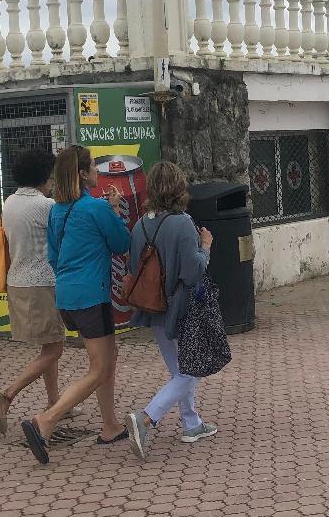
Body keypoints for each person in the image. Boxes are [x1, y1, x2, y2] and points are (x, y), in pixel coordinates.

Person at [20, 145, 131, 464]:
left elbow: (53, 256)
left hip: (67, 295)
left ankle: (110, 425)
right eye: (94, 166)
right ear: (83, 174)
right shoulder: (94, 208)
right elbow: (122, 242)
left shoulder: (58, 209)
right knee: (98, 369)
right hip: (91, 296)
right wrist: (114, 210)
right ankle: (47, 421)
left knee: (109, 355)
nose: (99, 171)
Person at [123, 162, 218, 460]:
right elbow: (193, 271)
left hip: (154, 308)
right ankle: (147, 417)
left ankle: (192, 423)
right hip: (183, 307)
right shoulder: (183, 223)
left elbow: (133, 264)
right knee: (193, 368)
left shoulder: (140, 224)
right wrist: (206, 246)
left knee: (179, 369)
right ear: (179, 187)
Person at [0, 149, 71, 436]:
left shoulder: (9, 201)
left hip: (18, 281)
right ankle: (6, 396)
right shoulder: (45, 206)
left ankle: (55, 401)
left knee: (49, 345)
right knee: (55, 348)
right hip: (42, 283)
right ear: (44, 175)